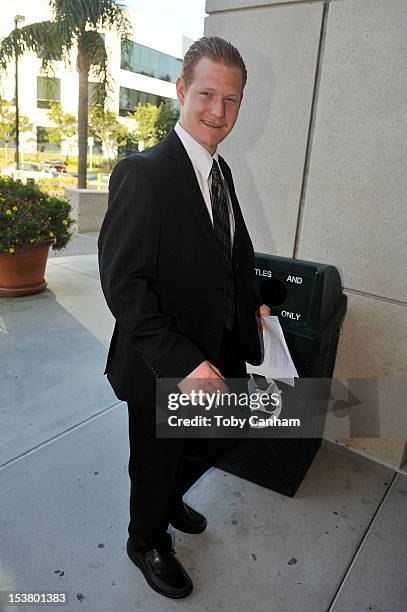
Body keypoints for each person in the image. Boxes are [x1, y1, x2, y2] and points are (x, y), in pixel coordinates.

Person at [98, 36, 270, 599]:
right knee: (158, 452)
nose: (219, 111)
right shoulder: (143, 174)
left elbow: (229, 255)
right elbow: (125, 287)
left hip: (219, 344)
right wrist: (183, 362)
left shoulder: (219, 174)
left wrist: (256, 302)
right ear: (181, 91)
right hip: (162, 359)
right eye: (207, 94)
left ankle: (167, 496)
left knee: (231, 427)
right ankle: (146, 539)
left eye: (232, 99)